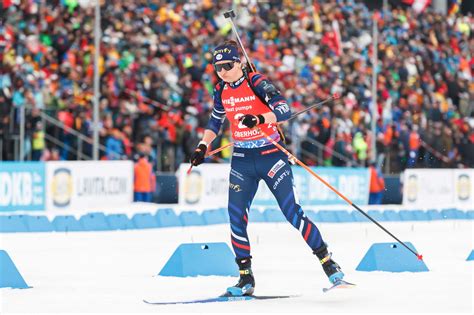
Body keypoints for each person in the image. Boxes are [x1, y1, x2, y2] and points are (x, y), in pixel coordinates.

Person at [190, 40, 344, 296]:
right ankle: (245, 277)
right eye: (218, 68)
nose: (223, 72)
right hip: (241, 158)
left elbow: (284, 110)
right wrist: (202, 146)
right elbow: (215, 122)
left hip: (271, 155)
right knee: (235, 216)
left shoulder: (256, 82)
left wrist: (260, 118)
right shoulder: (220, 90)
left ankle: (328, 262)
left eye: (228, 65)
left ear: (239, 62)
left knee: (292, 213)